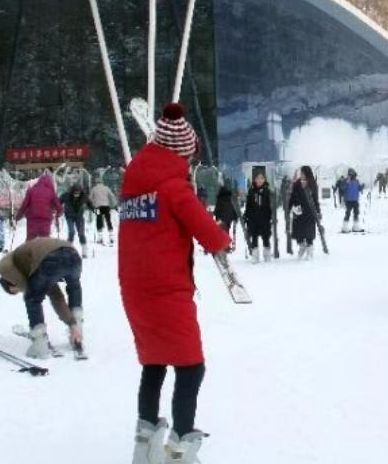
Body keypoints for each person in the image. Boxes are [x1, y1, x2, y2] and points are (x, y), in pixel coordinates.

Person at [119, 103, 231, 463]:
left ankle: (144, 443)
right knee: (190, 366)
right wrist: (223, 240)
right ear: (182, 152)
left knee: (154, 363)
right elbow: (206, 230)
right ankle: (181, 448)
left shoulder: (133, 185)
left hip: (134, 290)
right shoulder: (173, 187)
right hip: (166, 290)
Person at [0, 237, 83, 359]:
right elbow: (56, 295)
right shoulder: (23, 262)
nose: (19, 290)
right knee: (74, 289)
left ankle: (39, 344)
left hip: (49, 258)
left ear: (11, 284)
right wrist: (72, 324)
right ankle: (77, 333)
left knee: (32, 298)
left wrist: (69, 321)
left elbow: (42, 292)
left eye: (15, 291)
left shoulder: (6, 269)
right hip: (73, 254)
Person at [15, 173, 62, 242]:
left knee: (30, 239)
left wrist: (18, 216)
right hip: (45, 220)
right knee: (44, 241)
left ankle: (29, 248)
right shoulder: (51, 192)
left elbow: (24, 205)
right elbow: (59, 207)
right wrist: (58, 214)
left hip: (32, 219)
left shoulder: (31, 190)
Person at [288, 166, 322, 259]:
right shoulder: (296, 184)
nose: (301, 175)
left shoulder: (312, 184)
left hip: (309, 212)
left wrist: (318, 211)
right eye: (301, 173)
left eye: (303, 173)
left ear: (307, 174)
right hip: (298, 212)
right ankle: (302, 246)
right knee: (298, 233)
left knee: (309, 233)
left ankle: (310, 250)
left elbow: (315, 200)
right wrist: (290, 207)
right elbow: (292, 197)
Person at [244, 172, 274, 263]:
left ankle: (267, 255)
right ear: (254, 180)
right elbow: (248, 205)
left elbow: (271, 205)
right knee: (254, 236)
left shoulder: (267, 191)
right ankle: (255, 255)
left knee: (266, 236)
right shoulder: (251, 191)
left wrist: (271, 216)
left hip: (265, 218)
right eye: (258, 178)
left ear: (264, 179)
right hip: (254, 218)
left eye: (262, 178)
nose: (260, 180)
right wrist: (247, 215)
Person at [60, 183, 90, 258]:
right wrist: (55, 209)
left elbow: (90, 204)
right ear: (72, 192)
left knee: (81, 233)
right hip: (69, 216)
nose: (77, 194)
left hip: (79, 217)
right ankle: (68, 249)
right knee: (71, 232)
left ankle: (84, 250)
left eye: (78, 193)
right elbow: (58, 202)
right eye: (75, 193)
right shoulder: (66, 195)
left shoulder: (83, 196)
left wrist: (97, 212)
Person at [89, 180, 118, 246]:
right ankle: (111, 237)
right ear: (102, 182)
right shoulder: (106, 188)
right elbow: (112, 196)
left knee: (98, 220)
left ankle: (100, 238)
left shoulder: (94, 189)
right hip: (106, 206)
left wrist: (92, 206)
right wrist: (114, 205)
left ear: (96, 183)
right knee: (108, 220)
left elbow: (90, 199)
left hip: (97, 207)